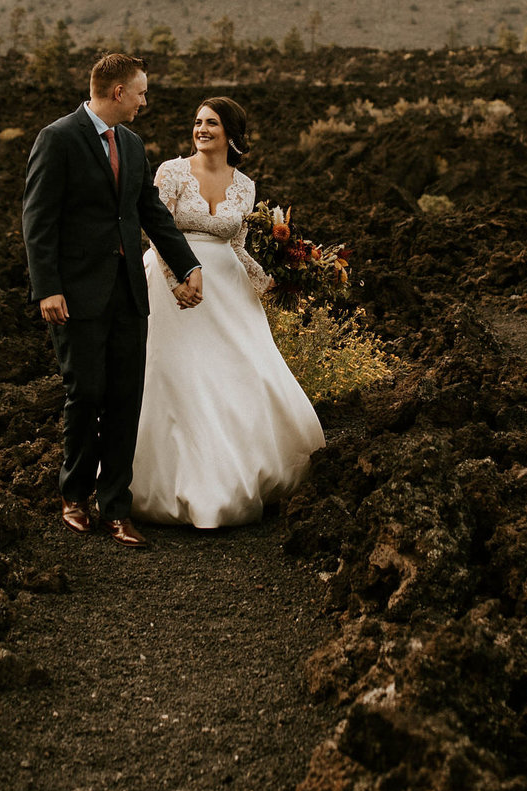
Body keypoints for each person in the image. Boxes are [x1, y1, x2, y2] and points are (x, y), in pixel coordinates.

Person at [23, 53, 204, 547]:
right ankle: (75, 495)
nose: (146, 101)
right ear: (118, 92)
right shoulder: (58, 138)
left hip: (129, 291)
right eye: (142, 92)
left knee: (126, 398)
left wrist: (187, 265)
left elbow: (149, 211)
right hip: (76, 295)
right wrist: (48, 288)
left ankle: (116, 507)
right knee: (86, 393)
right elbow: (38, 221)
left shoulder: (132, 143)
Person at [131, 97, 325, 528]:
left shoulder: (245, 185)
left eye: (212, 123)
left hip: (228, 286)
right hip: (173, 284)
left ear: (231, 134)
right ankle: (178, 486)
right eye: (198, 121)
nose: (201, 129)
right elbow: (154, 228)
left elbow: (236, 245)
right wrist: (176, 278)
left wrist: (269, 281)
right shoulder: (172, 171)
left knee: (243, 371)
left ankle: (244, 472)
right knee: (180, 376)